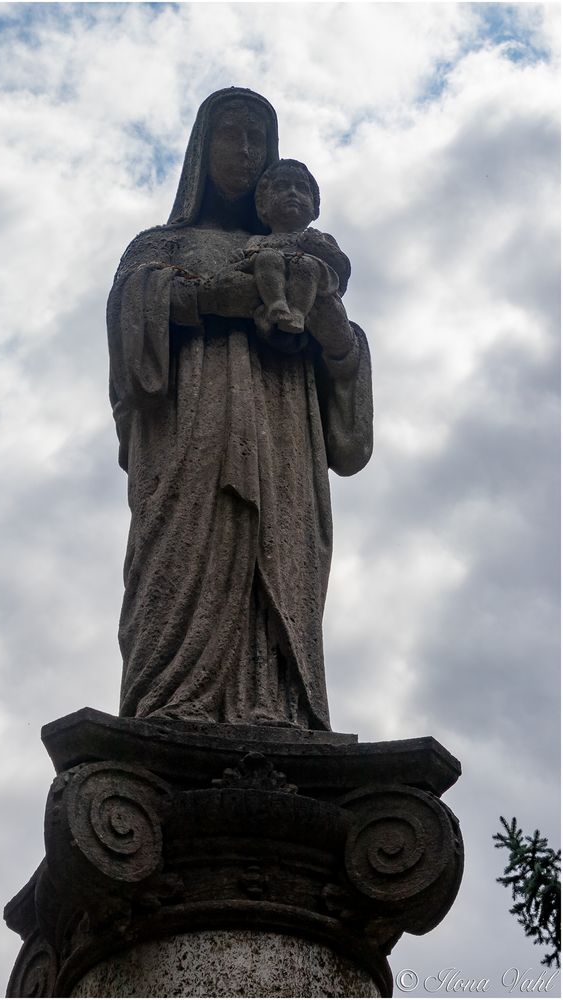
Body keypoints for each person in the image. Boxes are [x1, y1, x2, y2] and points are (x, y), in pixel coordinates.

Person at [107, 87, 373, 730]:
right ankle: (174, 699)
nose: (246, 150)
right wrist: (215, 299)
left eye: (258, 138)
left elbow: (347, 403)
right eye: (231, 134)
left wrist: (336, 335)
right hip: (193, 435)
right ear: (203, 149)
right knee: (184, 558)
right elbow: (130, 319)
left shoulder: (303, 254)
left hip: (283, 437)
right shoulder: (160, 246)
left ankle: (275, 705)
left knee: (277, 554)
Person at [229, 158, 351, 355]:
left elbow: (342, 267)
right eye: (282, 186)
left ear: (314, 206)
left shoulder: (319, 237)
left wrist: (316, 245)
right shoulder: (259, 240)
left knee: (305, 264)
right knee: (267, 257)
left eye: (301, 188)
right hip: (271, 273)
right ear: (263, 204)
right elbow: (244, 260)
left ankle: (297, 314)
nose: (293, 192)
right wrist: (239, 258)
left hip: (312, 283)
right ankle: (277, 306)